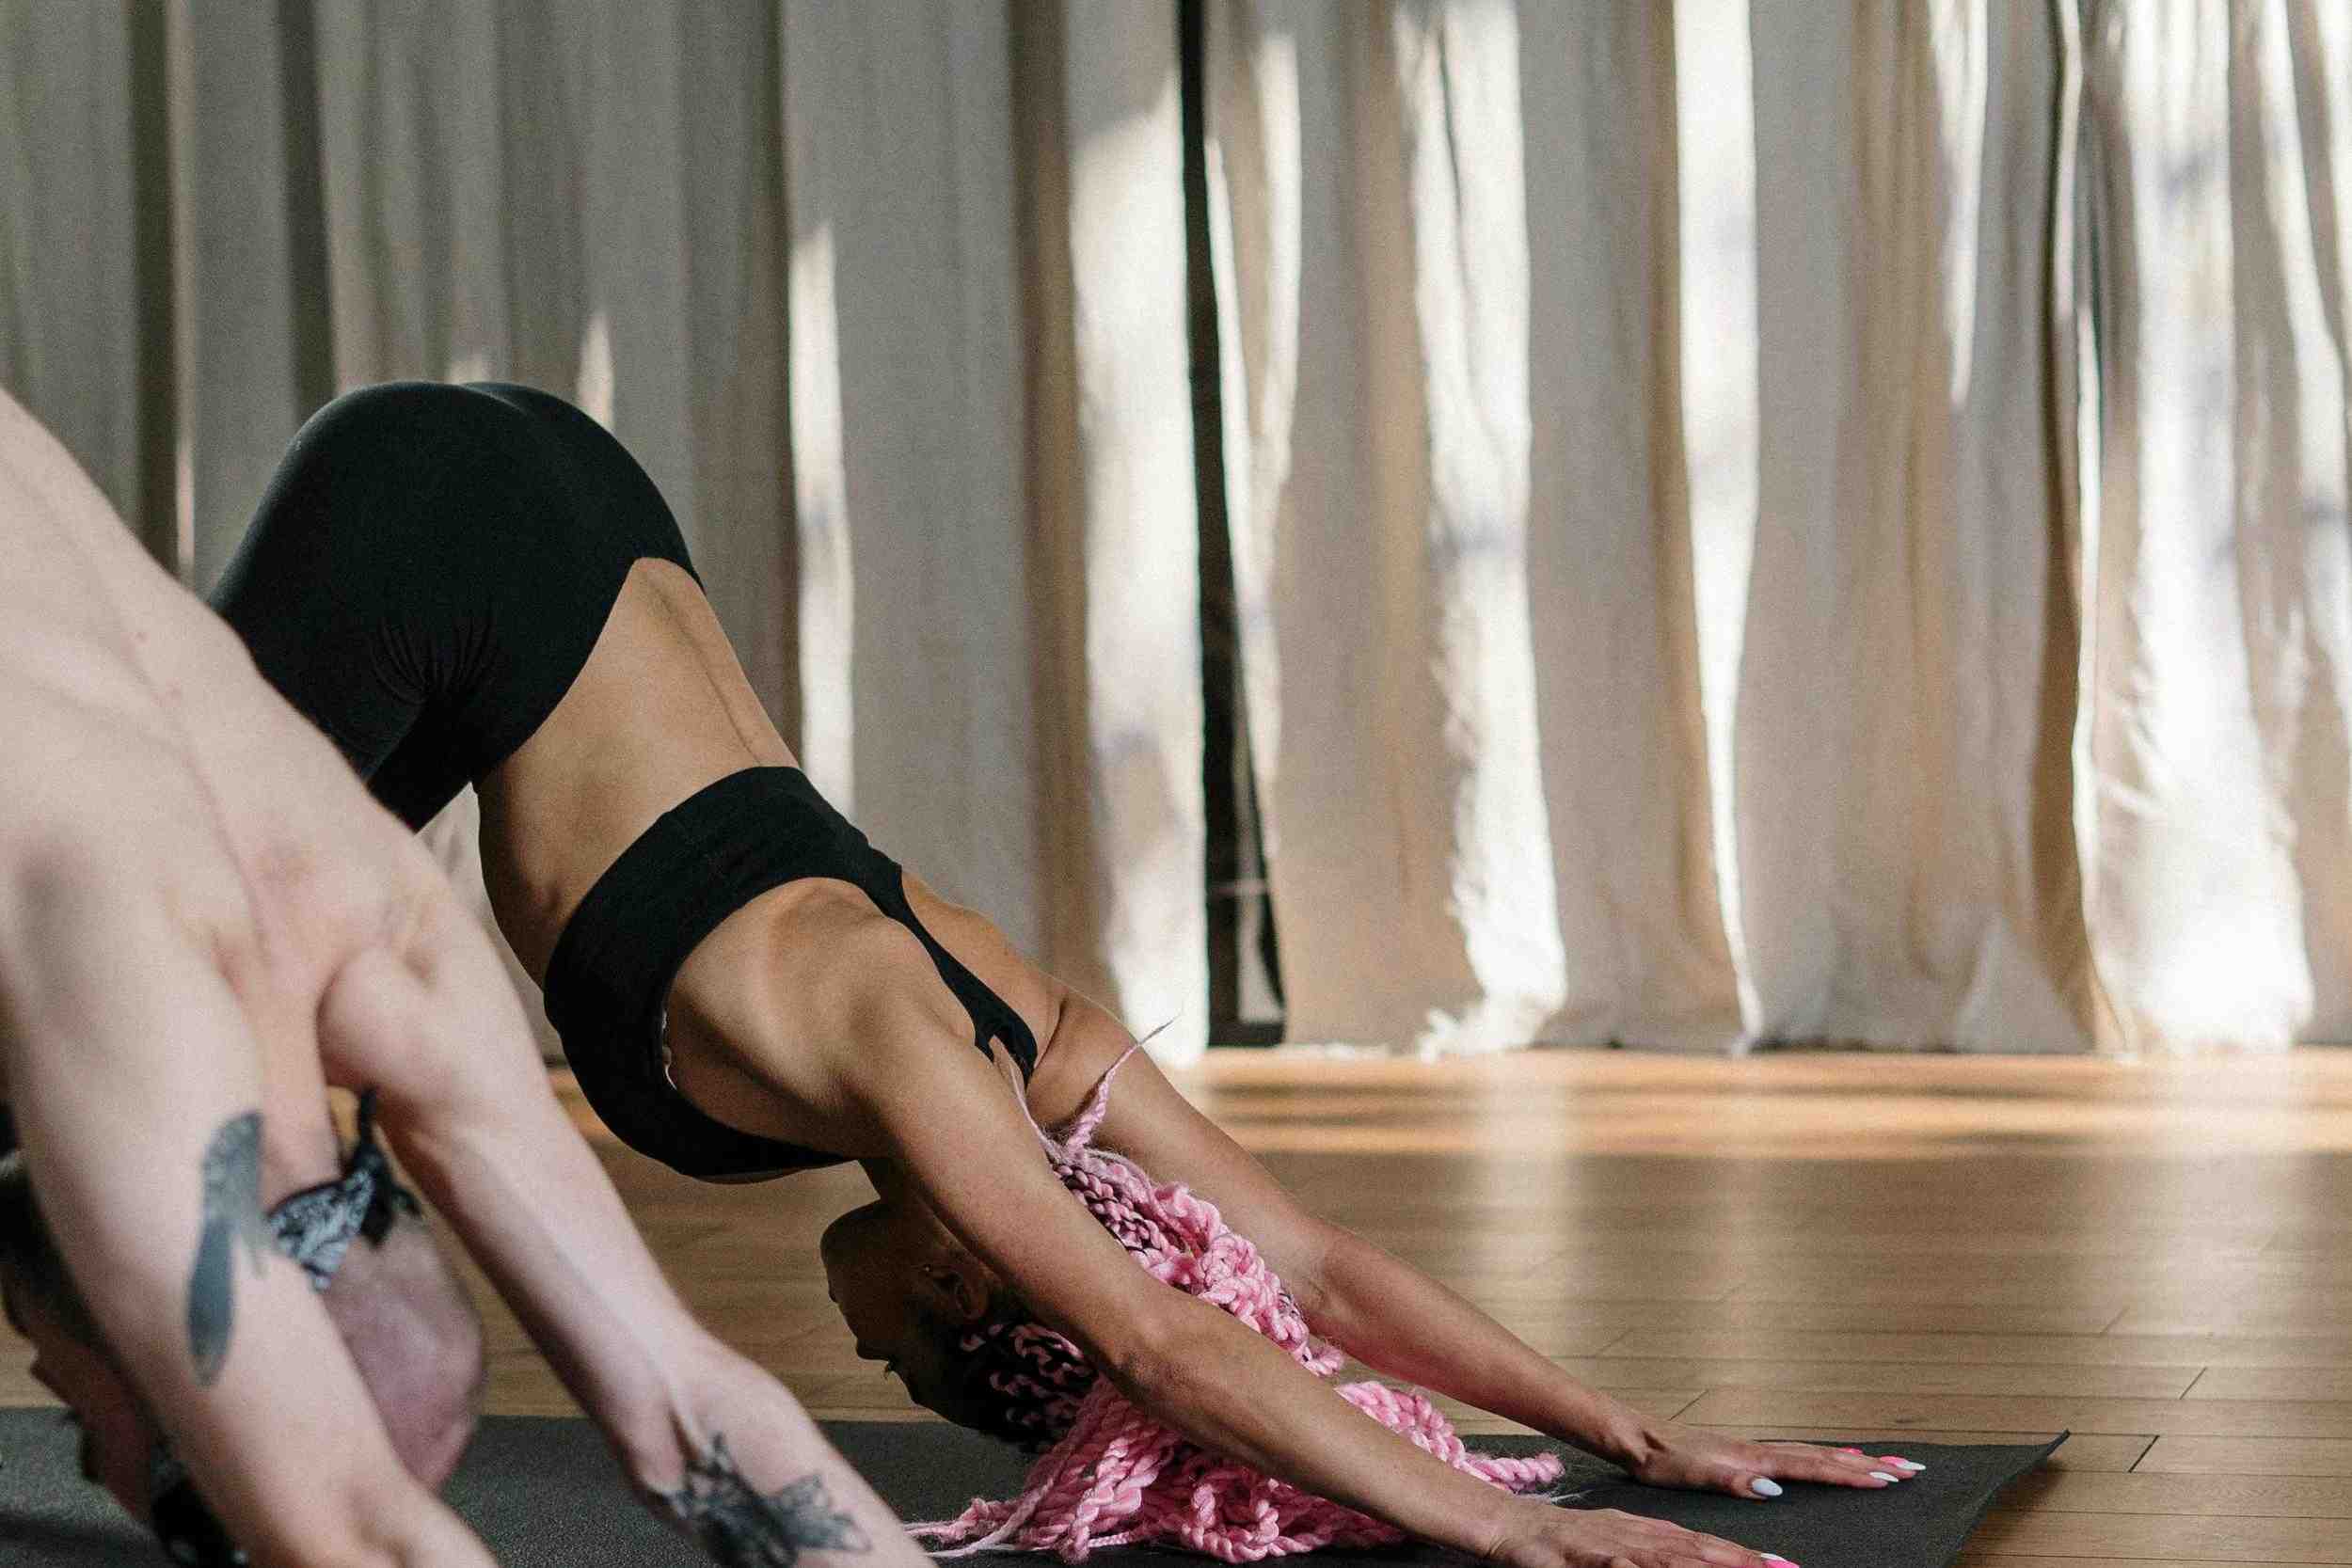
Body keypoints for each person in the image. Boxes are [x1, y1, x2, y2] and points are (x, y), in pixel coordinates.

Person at [212, 381, 1924, 1568]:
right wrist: (1513, 1516)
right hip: (448, 522)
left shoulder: (1028, 1034)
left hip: (569, 527)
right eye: (903, 1367)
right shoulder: (905, 1042)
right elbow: (1166, 1336)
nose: (864, 1351)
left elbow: (1311, 1269)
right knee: (156, 917)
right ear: (966, 1286)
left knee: (238, 935)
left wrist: (1628, 1431)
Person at [0, 386, 925, 1568]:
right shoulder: (289, 953)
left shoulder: (364, 930)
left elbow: (689, 1404)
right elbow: (354, 1524)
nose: (73, 1446)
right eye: (90, 1430)